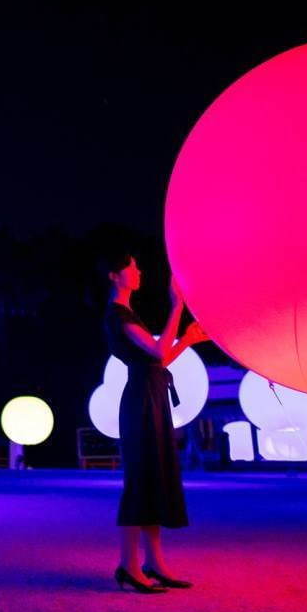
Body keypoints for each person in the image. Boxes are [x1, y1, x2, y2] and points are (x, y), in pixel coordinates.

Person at [101, 252, 209, 593]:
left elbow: (158, 358)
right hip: (141, 402)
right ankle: (129, 565)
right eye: (132, 266)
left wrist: (189, 337)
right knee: (141, 480)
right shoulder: (118, 315)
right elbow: (159, 354)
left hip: (151, 395)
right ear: (114, 275)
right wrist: (177, 305)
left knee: (154, 478)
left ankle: (153, 563)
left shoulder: (128, 314)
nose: (139, 270)